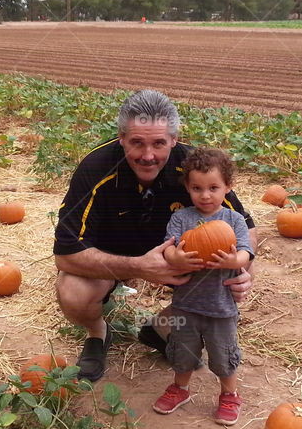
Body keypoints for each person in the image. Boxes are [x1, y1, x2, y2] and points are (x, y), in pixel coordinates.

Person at [53, 89, 257, 382]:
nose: (148, 156)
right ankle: (98, 333)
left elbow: (247, 227)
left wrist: (242, 268)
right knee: (73, 292)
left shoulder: (194, 168)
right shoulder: (96, 168)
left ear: (173, 140)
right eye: (137, 142)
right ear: (121, 138)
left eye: (159, 143)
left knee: (237, 266)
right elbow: (65, 254)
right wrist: (140, 267)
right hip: (111, 257)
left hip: (180, 258)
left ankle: (161, 326)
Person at [153, 147, 253, 425]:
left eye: (213, 188)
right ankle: (180, 388)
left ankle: (229, 395)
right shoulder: (181, 218)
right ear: (187, 187)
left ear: (228, 188)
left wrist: (233, 260)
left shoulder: (233, 220)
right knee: (183, 352)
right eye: (197, 188)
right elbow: (168, 250)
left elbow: (246, 253)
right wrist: (177, 257)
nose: (205, 195)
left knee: (223, 355)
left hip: (221, 307)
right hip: (186, 305)